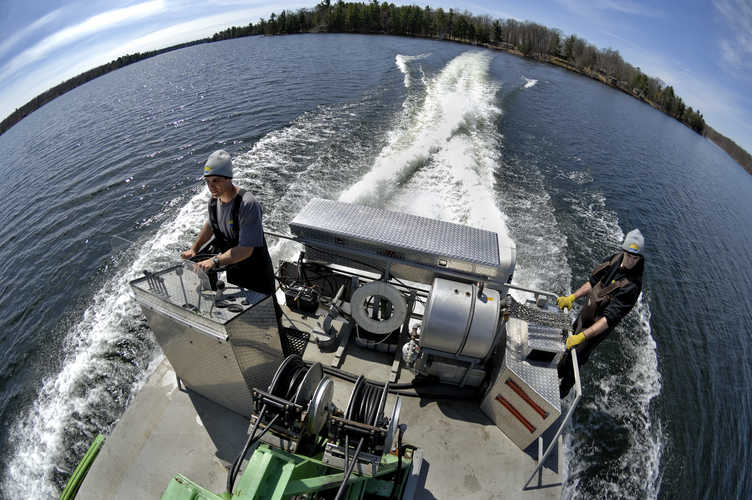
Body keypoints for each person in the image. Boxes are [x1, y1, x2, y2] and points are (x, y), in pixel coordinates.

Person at [181, 150, 278, 312]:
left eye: (216, 181)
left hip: (257, 273)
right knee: (241, 314)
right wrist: (194, 249)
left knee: (268, 313)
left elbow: (246, 250)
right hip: (234, 270)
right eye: (207, 182)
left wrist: (215, 261)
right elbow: (211, 225)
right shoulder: (214, 201)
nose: (211, 186)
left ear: (229, 178)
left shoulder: (247, 204)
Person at [556, 229, 645, 397]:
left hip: (598, 325)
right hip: (586, 313)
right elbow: (593, 282)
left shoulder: (632, 286)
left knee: (578, 356)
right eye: (629, 255)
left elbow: (608, 319)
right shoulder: (615, 258)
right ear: (623, 251)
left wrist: (582, 336)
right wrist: (571, 297)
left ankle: (563, 390)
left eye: (635, 258)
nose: (631, 261)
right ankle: (557, 372)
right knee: (567, 349)